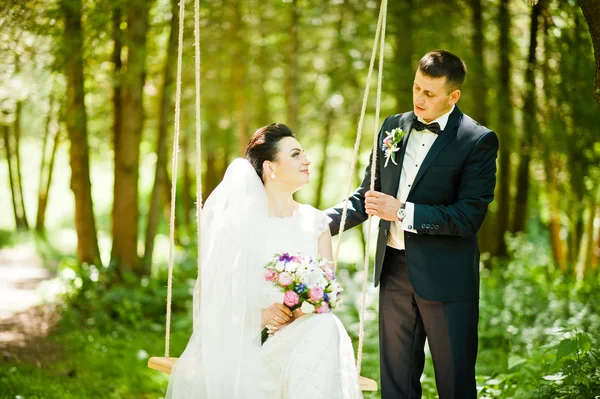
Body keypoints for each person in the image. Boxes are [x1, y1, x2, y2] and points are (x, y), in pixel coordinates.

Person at [326, 50, 499, 399]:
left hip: (448, 278)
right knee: (396, 384)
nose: (419, 99)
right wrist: (316, 222)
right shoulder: (392, 126)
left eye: (430, 93)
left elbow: (468, 217)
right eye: (417, 88)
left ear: (454, 96)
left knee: (454, 383)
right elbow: (368, 195)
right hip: (394, 272)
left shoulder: (477, 141)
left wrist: (402, 212)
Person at [166, 123, 362, 399]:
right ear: (270, 167)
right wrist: (261, 316)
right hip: (249, 345)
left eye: (304, 154)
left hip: (304, 337)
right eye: (295, 155)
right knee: (322, 331)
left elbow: (327, 291)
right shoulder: (239, 225)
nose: (306, 160)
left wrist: (300, 310)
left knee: (323, 325)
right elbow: (215, 302)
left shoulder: (317, 222)